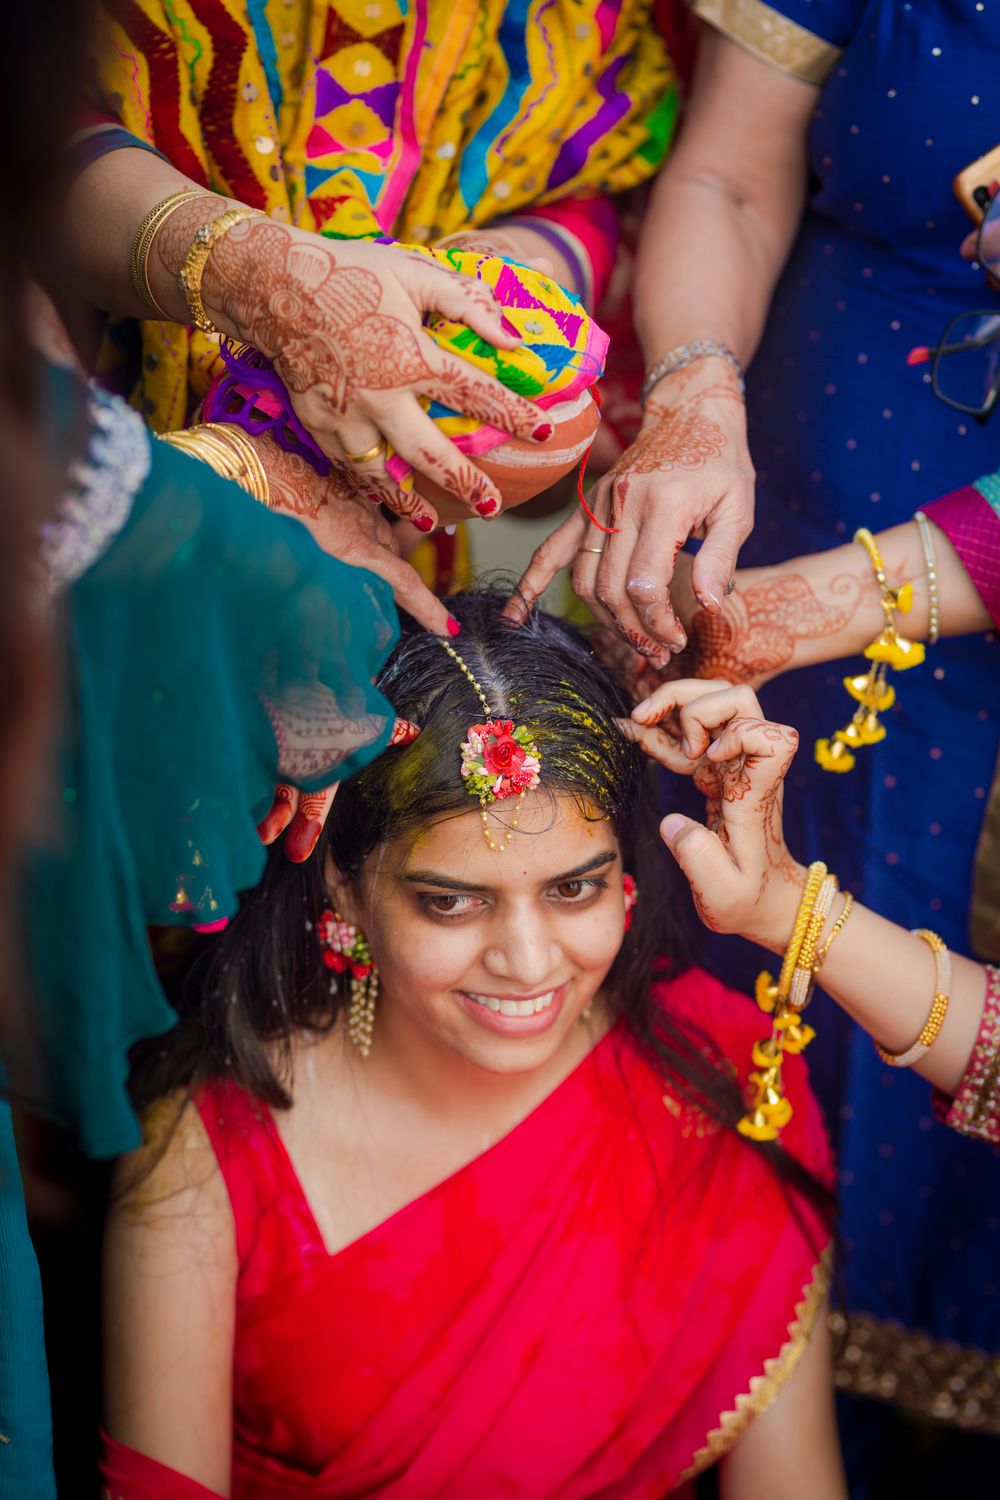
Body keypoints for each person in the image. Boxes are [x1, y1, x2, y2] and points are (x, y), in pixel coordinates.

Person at [101, 589, 842, 1500]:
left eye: (575, 890)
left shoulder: (723, 1083)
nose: (528, 963)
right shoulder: (204, 1161)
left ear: (627, 877)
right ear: (342, 887)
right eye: (451, 901)